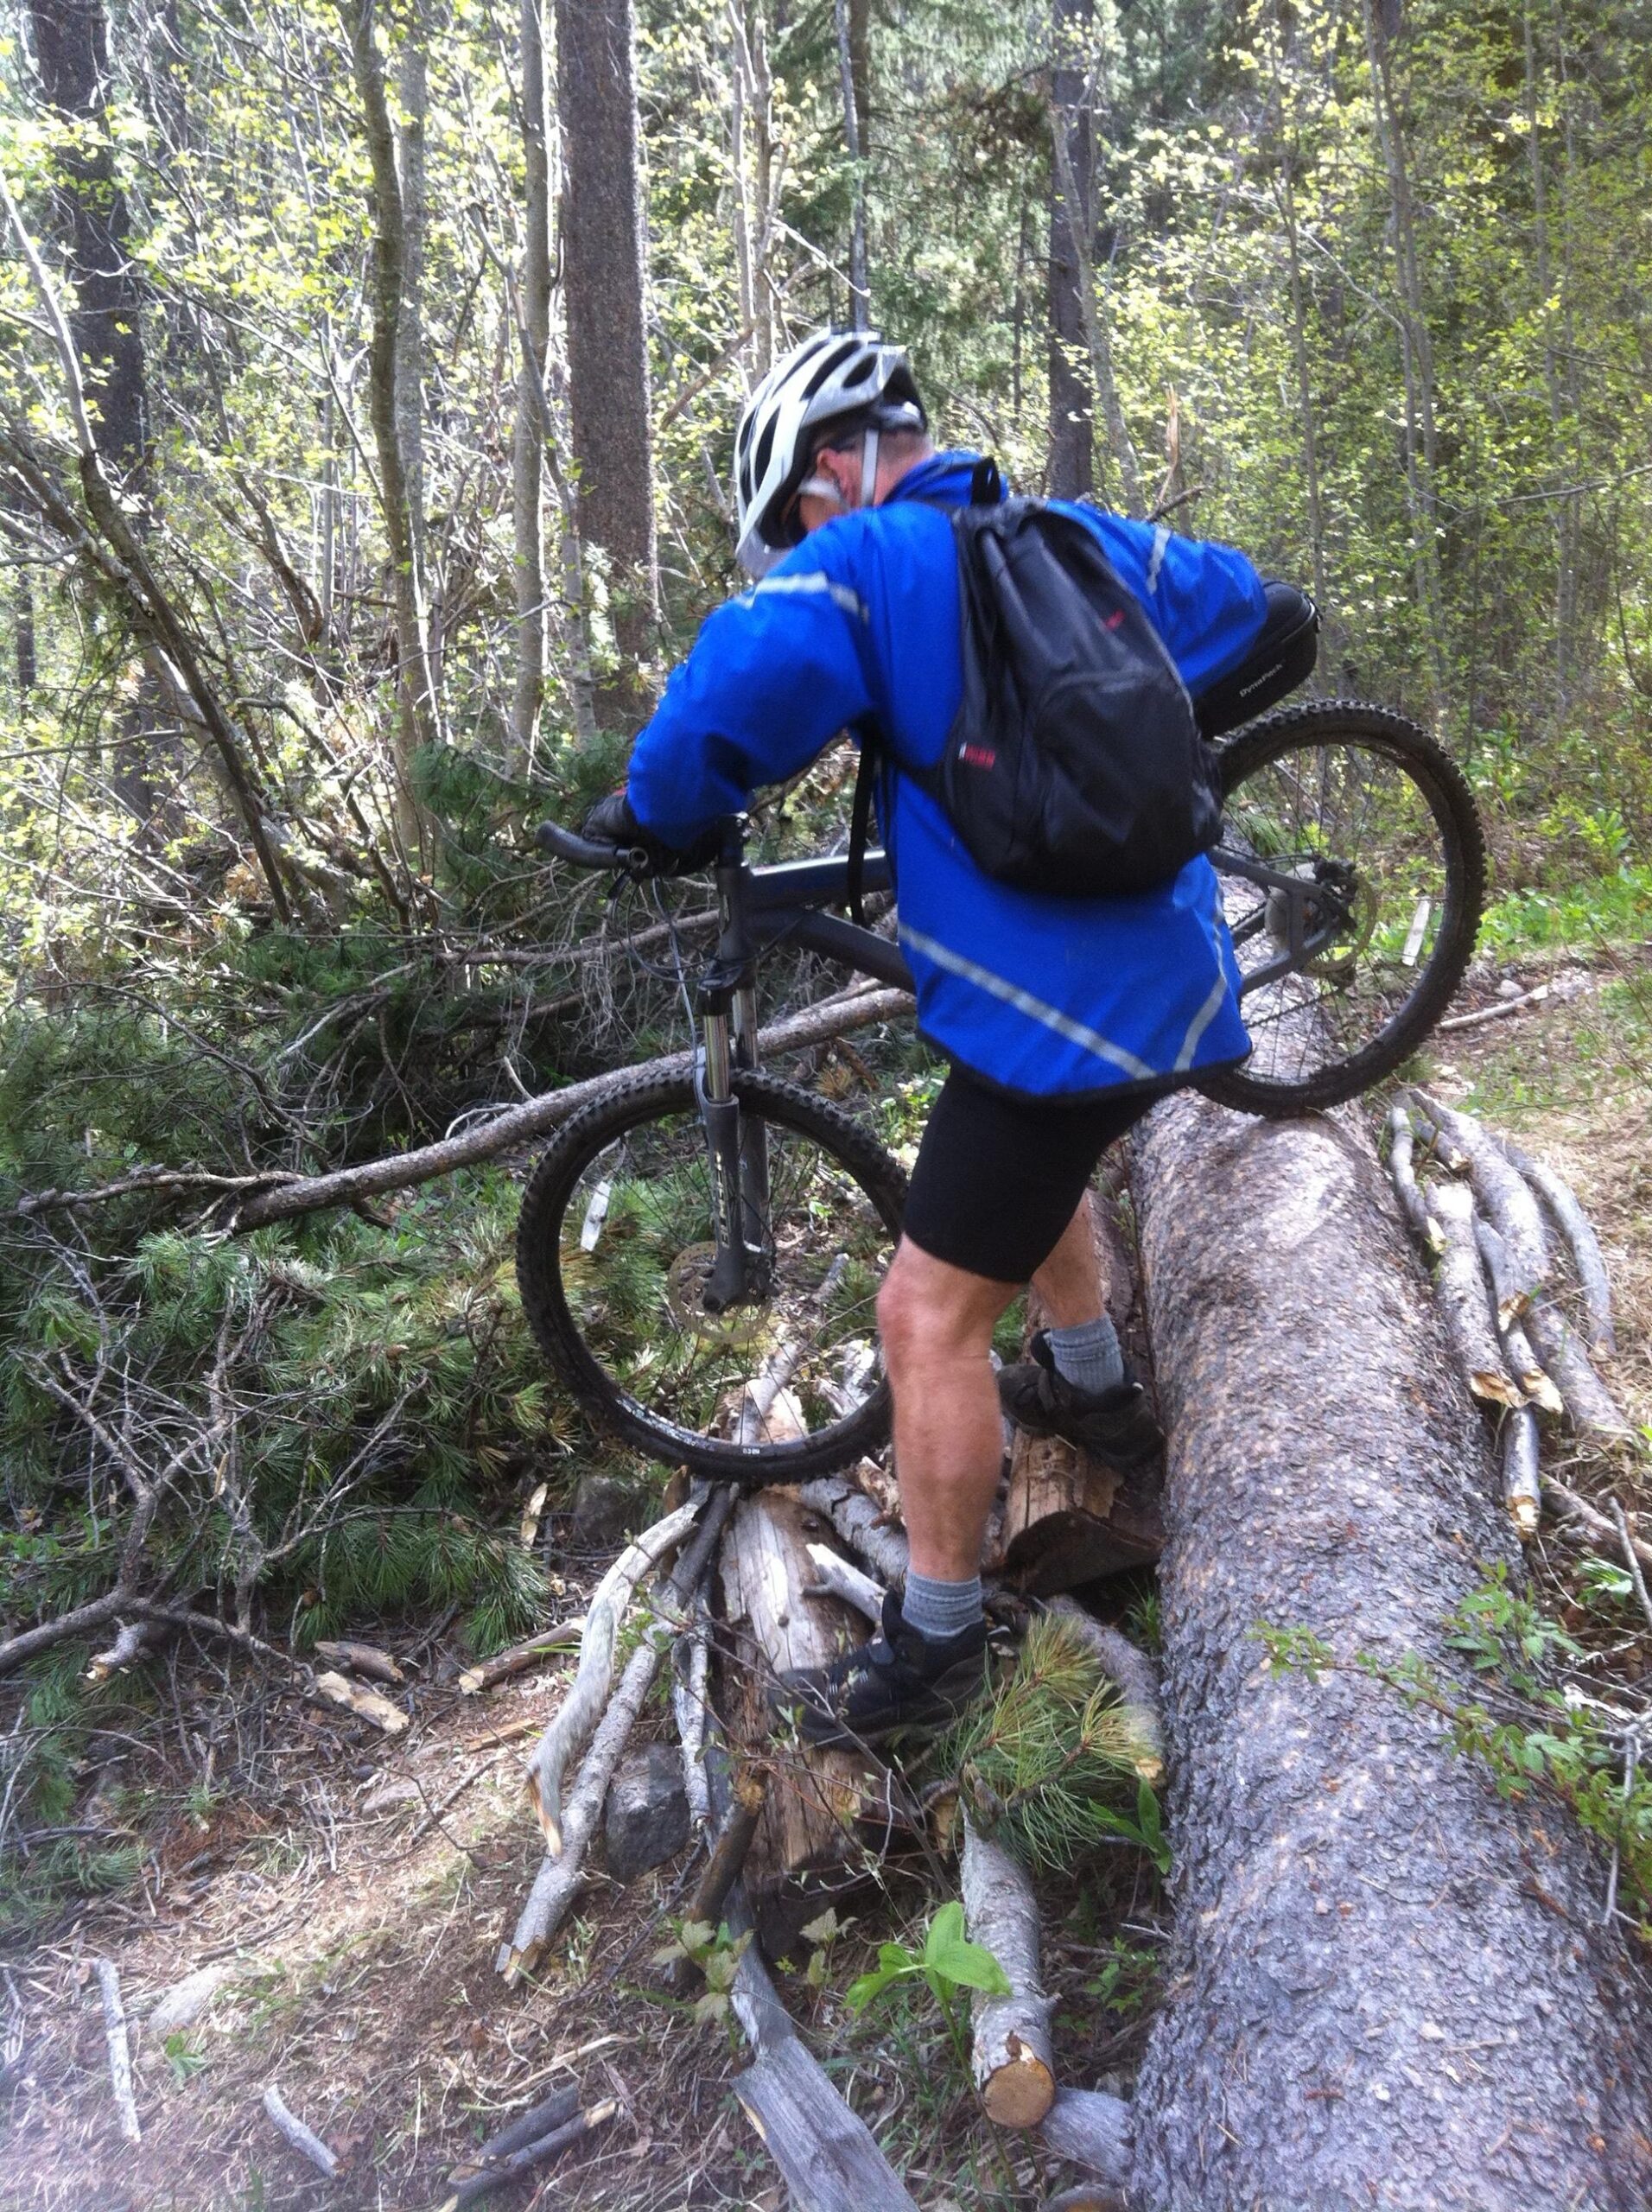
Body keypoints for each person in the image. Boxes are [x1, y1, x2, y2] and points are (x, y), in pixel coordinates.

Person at [582, 328, 1269, 1751]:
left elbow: (733, 690)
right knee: (1025, 1146)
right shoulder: (1078, 537)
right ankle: (1096, 1395)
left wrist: (651, 816)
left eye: (789, 519)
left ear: (833, 468)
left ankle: (932, 1654)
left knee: (923, 1316)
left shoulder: (866, 560)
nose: (792, 543)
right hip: (1164, 980)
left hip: (1058, 1013)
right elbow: (1263, 613)